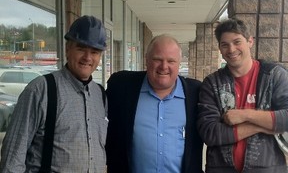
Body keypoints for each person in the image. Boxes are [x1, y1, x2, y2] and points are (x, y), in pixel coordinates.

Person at [0, 15, 108, 172]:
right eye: (81, 48)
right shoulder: (40, 90)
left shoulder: (100, 95)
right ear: (67, 49)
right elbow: (12, 158)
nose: (88, 57)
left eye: (95, 51)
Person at [197, 18, 288, 173]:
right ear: (219, 48)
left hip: (269, 169)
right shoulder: (212, 83)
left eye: (237, 42)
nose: (231, 49)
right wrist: (262, 126)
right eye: (224, 44)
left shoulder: (273, 75)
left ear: (250, 41)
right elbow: (209, 133)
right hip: (220, 169)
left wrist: (245, 115)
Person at [105, 34, 204, 173]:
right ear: (146, 60)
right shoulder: (122, 87)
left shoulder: (196, 93)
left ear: (179, 63)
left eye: (171, 61)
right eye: (157, 59)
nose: (164, 66)